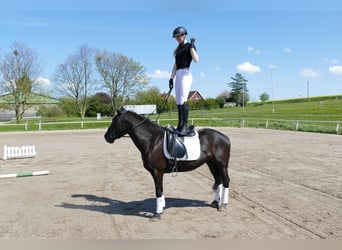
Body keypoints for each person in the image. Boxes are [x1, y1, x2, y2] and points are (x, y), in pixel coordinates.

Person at [169, 26, 199, 136]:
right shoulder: (178, 49)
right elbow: (175, 65)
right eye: (176, 37)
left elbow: (196, 60)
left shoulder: (189, 46)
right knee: (178, 101)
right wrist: (171, 78)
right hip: (178, 74)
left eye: (179, 36)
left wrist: (191, 47)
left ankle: (185, 126)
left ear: (184, 35)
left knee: (182, 100)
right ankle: (180, 125)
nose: (177, 38)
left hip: (186, 74)